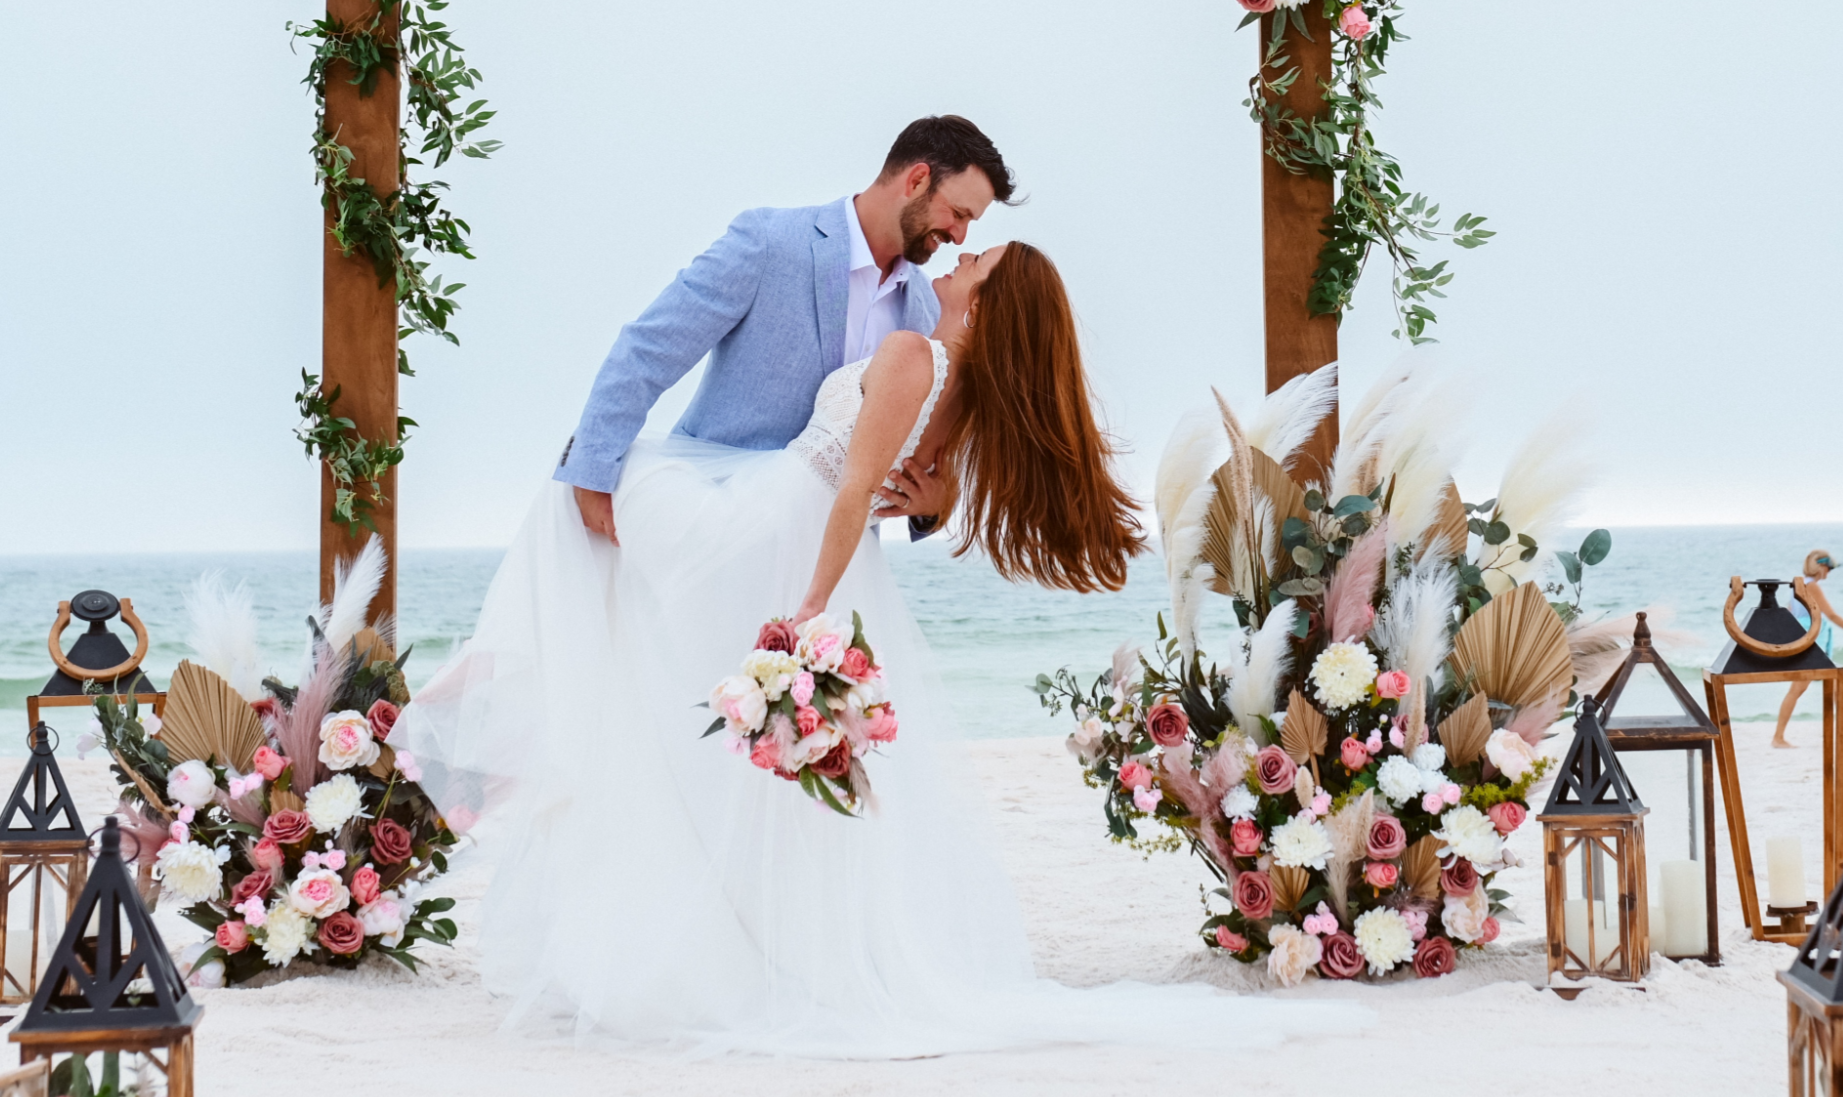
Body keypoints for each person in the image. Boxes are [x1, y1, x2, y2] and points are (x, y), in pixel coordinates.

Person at [398, 238, 1366, 1057]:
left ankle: (494, 699)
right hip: (799, 530)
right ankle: (511, 706)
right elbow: (925, 486)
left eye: (973, 261)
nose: (952, 260)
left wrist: (809, 609)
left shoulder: (911, 351)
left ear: (985, 309)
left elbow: (859, 488)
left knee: (582, 489)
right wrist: (916, 507)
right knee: (627, 600)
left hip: (775, 527)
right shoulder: (966, 387)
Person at [557, 113, 1017, 543]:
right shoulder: (769, 242)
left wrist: (933, 505)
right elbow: (649, 350)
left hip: (831, 564)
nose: (960, 236)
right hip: (710, 526)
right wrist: (592, 471)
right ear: (916, 180)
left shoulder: (926, 308)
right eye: (958, 214)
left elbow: (926, 450)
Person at [1772, 549, 1839, 749]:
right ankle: (1778, 737)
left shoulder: (1797, 586)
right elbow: (1832, 615)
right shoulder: (1813, 587)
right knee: (1801, 688)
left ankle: (1778, 737)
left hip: (1803, 640)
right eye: (1829, 567)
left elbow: (1789, 614)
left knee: (1830, 686)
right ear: (1821, 566)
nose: (1829, 572)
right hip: (1812, 642)